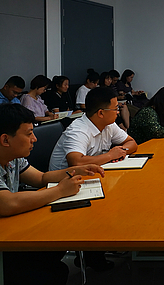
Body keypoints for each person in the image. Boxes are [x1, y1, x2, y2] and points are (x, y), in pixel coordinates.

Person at [0, 103, 104, 284]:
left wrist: (77, 170)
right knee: (51, 272)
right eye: (29, 134)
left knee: (55, 257)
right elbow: (6, 203)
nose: (34, 139)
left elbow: (40, 178)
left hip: (11, 231)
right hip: (5, 243)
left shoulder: (13, 158)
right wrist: (60, 191)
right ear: (5, 140)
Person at [49, 86, 138, 171]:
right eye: (115, 109)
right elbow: (76, 162)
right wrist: (110, 156)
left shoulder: (109, 125)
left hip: (91, 172)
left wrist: (120, 152)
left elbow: (131, 142)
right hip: (65, 178)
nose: (117, 112)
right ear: (101, 113)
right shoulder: (78, 130)